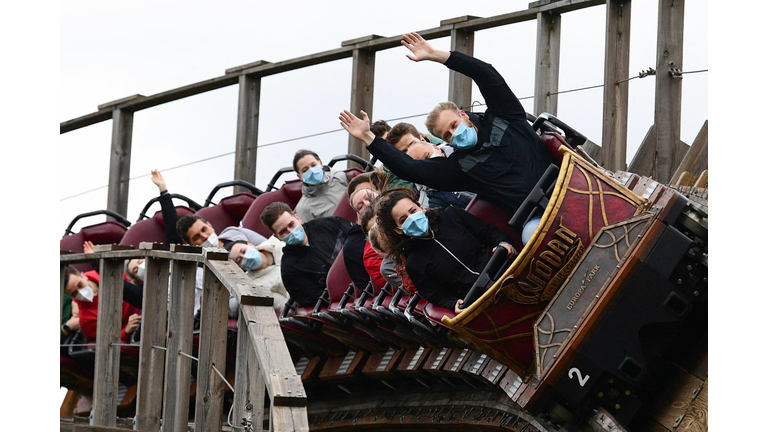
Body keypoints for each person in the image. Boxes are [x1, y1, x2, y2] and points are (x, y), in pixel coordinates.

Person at [340, 32, 556, 217]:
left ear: (463, 115)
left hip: (565, 184)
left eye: (454, 125)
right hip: (536, 216)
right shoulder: (461, 168)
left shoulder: (504, 115)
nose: (455, 134)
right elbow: (411, 169)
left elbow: (487, 75)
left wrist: (437, 55)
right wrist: (369, 137)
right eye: (448, 135)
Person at [375, 189, 516, 313]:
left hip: (504, 269)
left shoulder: (452, 216)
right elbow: (435, 295)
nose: (412, 218)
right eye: (403, 219)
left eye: (413, 211)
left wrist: (502, 243)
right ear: (398, 229)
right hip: (478, 299)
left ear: (421, 207)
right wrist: (452, 304)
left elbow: (489, 232)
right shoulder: (414, 264)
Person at [260, 202, 354, 307]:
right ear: (277, 237)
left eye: (291, 225)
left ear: (297, 218)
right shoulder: (289, 270)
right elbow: (317, 299)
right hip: (347, 300)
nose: (291, 231)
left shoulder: (329, 224)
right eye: (283, 231)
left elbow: (359, 238)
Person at [63, 266, 142, 343]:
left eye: (80, 285)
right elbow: (107, 340)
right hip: (139, 329)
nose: (81, 291)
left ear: (83, 276)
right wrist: (125, 331)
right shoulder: (86, 320)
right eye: (74, 293)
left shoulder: (104, 272)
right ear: (70, 296)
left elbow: (130, 277)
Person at [225, 237, 289, 313]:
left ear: (250, 244)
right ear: (240, 268)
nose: (245, 257)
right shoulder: (255, 287)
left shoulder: (277, 242)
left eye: (244, 251)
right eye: (239, 260)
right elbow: (287, 307)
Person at [405, 140, 475, 209]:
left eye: (427, 156)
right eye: (422, 165)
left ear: (436, 148)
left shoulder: (467, 154)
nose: (428, 164)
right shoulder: (434, 202)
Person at [292, 149, 348, 223]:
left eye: (313, 165)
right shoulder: (303, 208)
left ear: (320, 163)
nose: (311, 171)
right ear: (300, 177)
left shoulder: (340, 177)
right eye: (305, 170)